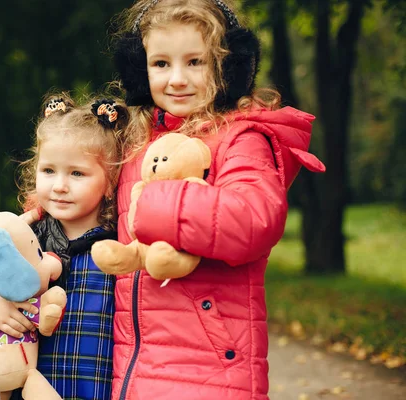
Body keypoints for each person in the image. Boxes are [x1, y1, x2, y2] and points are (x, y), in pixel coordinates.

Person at [107, 0, 325, 399]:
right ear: (139, 69)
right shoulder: (134, 145)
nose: (177, 79)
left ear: (228, 66)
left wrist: (154, 204)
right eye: (160, 64)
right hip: (133, 371)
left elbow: (254, 220)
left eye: (196, 62)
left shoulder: (240, 139)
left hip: (212, 374)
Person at [0, 93, 129, 400]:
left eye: (77, 173)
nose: (59, 185)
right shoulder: (24, 238)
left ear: (110, 182)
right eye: (49, 171)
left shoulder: (118, 249)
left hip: (95, 388)